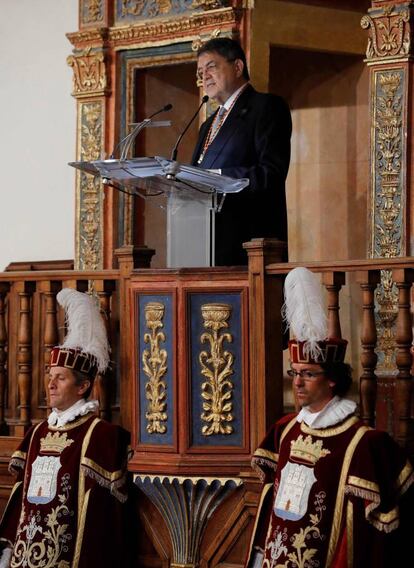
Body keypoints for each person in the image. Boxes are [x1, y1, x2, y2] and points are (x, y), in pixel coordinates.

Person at [245, 267, 413, 568]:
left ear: (332, 379)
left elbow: (365, 536)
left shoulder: (360, 443)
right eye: (294, 373)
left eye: (308, 375)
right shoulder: (286, 431)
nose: (297, 382)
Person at [0, 289, 131, 568]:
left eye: (60, 378)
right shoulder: (37, 433)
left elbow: (104, 521)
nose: (51, 385)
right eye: (50, 377)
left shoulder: (100, 435)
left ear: (83, 386)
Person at [192, 37, 292, 266]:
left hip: (249, 245)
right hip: (204, 245)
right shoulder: (207, 124)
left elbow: (271, 174)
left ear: (237, 67)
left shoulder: (266, 107)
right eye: (200, 72)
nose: (204, 76)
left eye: (211, 67)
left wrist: (217, 177)